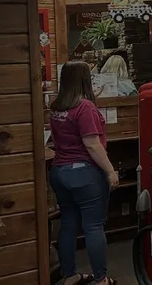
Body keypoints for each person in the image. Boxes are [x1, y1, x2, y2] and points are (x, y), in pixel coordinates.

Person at [49, 61, 119, 285]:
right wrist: (110, 170)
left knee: (68, 223)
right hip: (84, 174)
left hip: (59, 172)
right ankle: (101, 280)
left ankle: (69, 276)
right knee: (93, 226)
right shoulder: (85, 107)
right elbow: (92, 144)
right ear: (85, 79)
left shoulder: (57, 106)